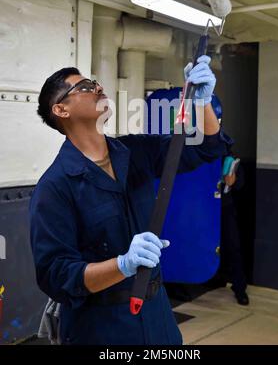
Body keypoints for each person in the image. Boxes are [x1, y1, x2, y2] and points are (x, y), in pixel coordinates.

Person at [29, 56, 232, 345]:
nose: (97, 86)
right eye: (85, 86)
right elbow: (57, 274)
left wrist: (201, 101)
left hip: (159, 317)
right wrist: (122, 264)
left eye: (96, 82)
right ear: (61, 109)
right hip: (101, 327)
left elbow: (206, 149)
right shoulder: (55, 187)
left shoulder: (135, 151)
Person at [219, 154, 249, 305]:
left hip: (225, 207)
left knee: (233, 245)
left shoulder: (229, 158)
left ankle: (239, 288)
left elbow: (240, 184)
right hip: (203, 207)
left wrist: (234, 181)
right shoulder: (198, 153)